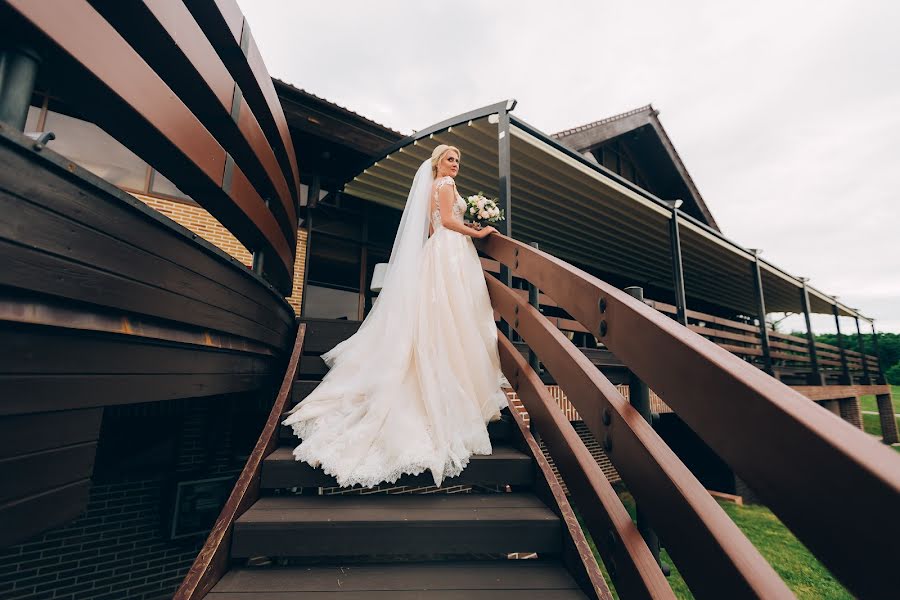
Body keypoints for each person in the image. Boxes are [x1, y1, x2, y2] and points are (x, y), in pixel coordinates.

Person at [283, 144, 509, 489]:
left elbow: (435, 228)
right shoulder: (445, 186)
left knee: (443, 311)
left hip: (441, 250)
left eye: (458, 161)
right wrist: (477, 233)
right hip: (450, 251)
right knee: (455, 311)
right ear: (438, 162)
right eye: (451, 159)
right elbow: (448, 222)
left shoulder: (435, 187)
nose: (455, 165)